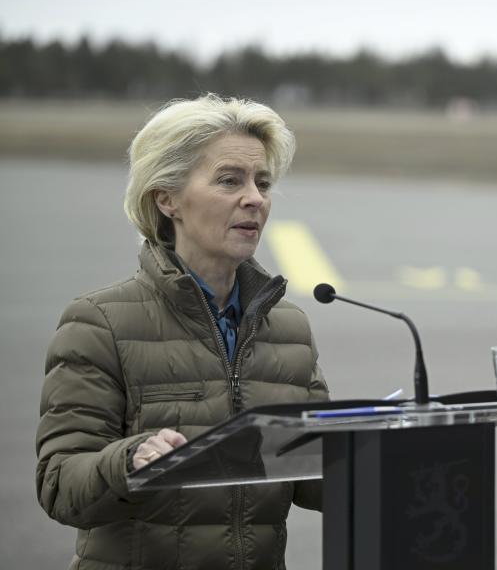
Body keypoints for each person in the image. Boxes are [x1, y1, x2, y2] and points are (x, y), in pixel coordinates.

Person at [36, 94, 330, 569]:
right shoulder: (99, 322)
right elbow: (60, 486)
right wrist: (131, 461)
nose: (254, 198)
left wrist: (392, 450)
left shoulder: (289, 328)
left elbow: (314, 477)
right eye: (229, 180)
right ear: (166, 198)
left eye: (262, 182)